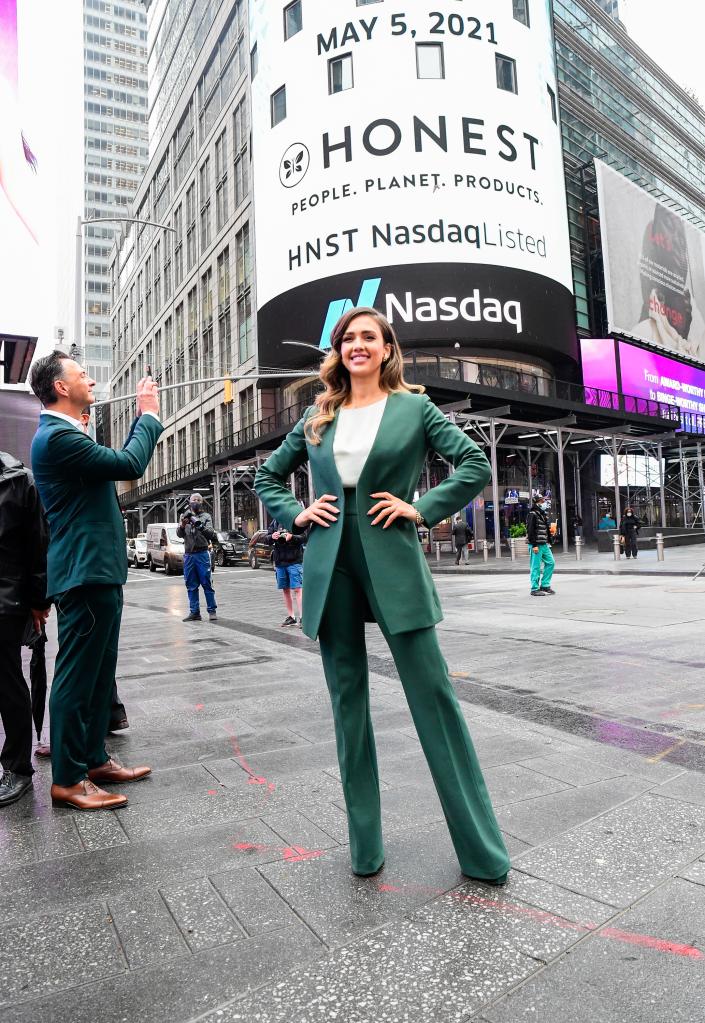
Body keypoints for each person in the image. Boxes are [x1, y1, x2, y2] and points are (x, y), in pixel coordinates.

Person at [255, 306, 509, 885]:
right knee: (349, 710)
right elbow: (266, 475)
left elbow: (472, 463)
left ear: (387, 348)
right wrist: (297, 513)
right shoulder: (319, 414)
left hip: (393, 560)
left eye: (369, 337)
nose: (358, 345)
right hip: (329, 565)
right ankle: (365, 848)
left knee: (435, 699)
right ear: (340, 350)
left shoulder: (414, 407)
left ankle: (482, 852)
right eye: (349, 338)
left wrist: (420, 508)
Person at [30, 351, 162, 811]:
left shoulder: (68, 432)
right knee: (77, 677)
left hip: (97, 569)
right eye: (81, 374)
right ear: (61, 387)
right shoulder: (56, 437)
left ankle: (92, 759)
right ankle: (67, 780)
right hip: (83, 572)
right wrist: (148, 415)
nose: (90, 379)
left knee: (99, 673)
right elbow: (128, 464)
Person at [0, 451, 50, 806]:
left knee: (6, 684)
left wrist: (38, 603)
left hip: (5, 601)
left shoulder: (17, 480)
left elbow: (37, 546)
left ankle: (18, 768)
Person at [177, 492, 218, 622]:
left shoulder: (206, 516)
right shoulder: (184, 516)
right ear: (189, 502)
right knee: (191, 584)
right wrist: (183, 524)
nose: (195, 501)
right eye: (193, 500)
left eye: (198, 500)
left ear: (201, 502)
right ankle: (194, 612)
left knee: (206, 583)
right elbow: (179, 534)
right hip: (189, 555)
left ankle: (212, 610)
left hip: (202, 554)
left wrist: (199, 525)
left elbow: (210, 533)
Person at [267, 519, 306, 627]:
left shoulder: (296, 519)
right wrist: (272, 537)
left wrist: (292, 537)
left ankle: (303, 618)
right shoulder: (275, 522)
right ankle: (291, 617)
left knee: (298, 589)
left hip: (294, 561)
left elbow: (304, 537)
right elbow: (267, 539)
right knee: (285, 589)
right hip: (280, 562)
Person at [526, 493, 555, 597]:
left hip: (544, 544)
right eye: (542, 501)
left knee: (551, 562)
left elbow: (545, 529)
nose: (545, 503)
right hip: (536, 544)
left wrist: (550, 537)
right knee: (536, 566)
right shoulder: (532, 514)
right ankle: (534, 588)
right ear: (537, 502)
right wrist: (534, 545)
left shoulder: (543, 514)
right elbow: (530, 531)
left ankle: (545, 585)